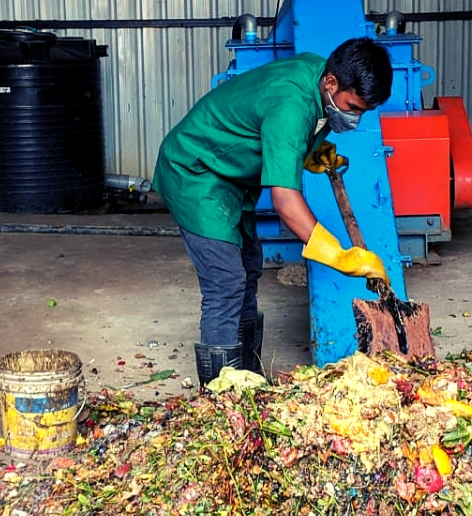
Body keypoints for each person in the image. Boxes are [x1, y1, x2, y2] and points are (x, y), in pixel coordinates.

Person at [153, 37, 395, 387]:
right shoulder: (290, 104)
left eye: (363, 111)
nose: (355, 117)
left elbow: (287, 130)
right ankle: (220, 397)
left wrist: (310, 152)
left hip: (233, 176)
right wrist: (340, 256)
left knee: (249, 268)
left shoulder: (319, 73)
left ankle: (246, 375)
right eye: (352, 107)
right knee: (226, 281)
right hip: (197, 172)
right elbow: (285, 202)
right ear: (331, 83)